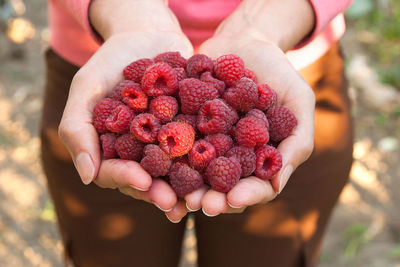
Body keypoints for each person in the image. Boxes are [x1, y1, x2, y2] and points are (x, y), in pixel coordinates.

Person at [41, 0, 354, 266]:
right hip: (103, 60)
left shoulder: (252, 113)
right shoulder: (136, 108)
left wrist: (264, 23)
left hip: (283, 66)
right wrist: (127, 15)